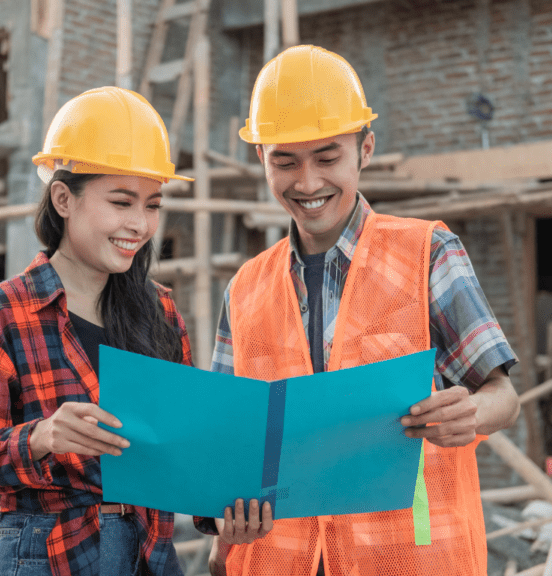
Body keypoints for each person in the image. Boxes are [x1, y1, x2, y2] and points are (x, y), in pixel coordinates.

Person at [195, 46, 521, 576]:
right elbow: (230, 448)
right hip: (278, 562)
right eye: (285, 160)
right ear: (261, 159)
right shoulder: (245, 288)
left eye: (327, 158)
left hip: (410, 562)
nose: (307, 182)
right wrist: (223, 522)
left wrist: (469, 414)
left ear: (364, 149)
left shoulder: (428, 253)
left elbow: (504, 398)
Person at [0, 86, 194, 576]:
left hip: (150, 555)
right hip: (52, 555)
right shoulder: (4, 313)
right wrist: (40, 438)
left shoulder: (159, 312)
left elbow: (179, 448)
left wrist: (227, 506)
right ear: (63, 198)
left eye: (153, 204)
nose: (139, 224)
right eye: (121, 201)